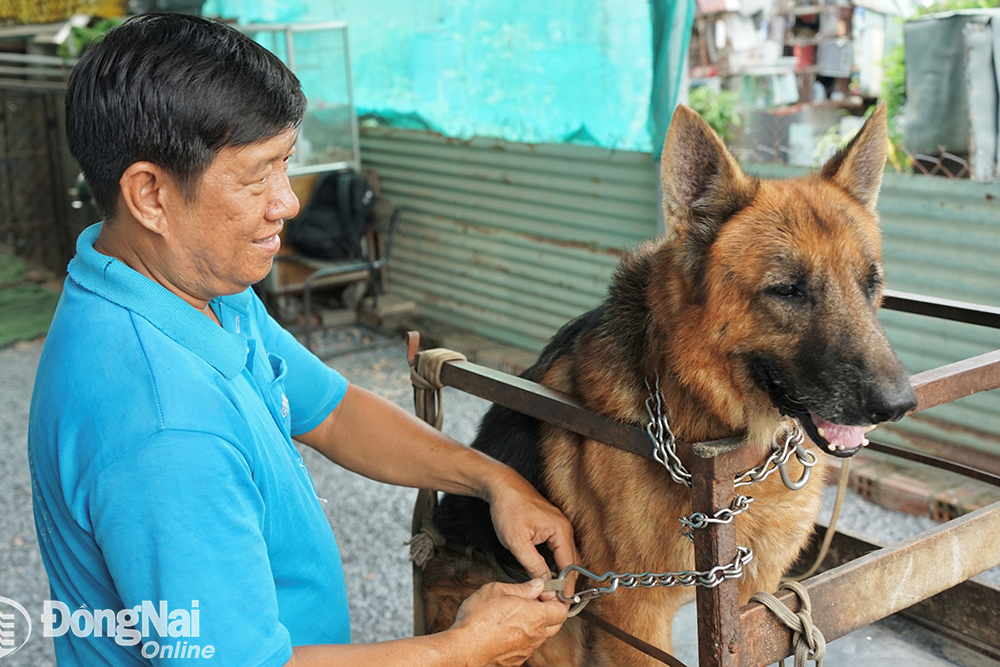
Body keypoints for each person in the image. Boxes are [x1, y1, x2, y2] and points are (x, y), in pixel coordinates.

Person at [28, 13, 576, 667]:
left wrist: (492, 479)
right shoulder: (164, 426)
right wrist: (465, 647)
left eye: (286, 163)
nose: (286, 202)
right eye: (257, 176)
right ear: (150, 194)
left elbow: (334, 409)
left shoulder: (193, 285)